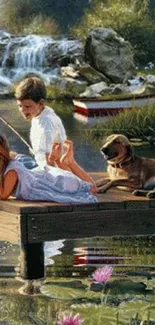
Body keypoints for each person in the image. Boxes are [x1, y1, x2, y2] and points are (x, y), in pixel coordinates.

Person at [0, 134, 97, 203]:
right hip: (43, 178)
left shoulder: (12, 170)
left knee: (91, 189)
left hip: (46, 183)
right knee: (70, 182)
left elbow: (3, 195)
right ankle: (61, 161)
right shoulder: (6, 166)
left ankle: (70, 162)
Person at [14, 76, 67, 169]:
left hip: (47, 171)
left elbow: (49, 158)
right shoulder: (39, 113)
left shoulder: (47, 122)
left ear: (41, 103)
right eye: (20, 106)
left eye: (27, 106)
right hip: (40, 164)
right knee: (10, 155)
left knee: (9, 160)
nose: (23, 110)